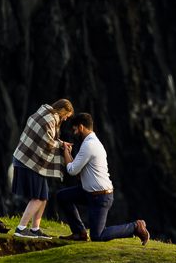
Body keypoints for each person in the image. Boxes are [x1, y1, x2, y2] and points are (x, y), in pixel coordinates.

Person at [55, 113, 149, 245]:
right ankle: (79, 232)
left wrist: (65, 151)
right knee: (62, 196)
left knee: (98, 236)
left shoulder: (89, 145)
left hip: (100, 197)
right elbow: (76, 170)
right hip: (89, 192)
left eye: (75, 130)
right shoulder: (91, 142)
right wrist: (68, 154)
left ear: (81, 127)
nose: (74, 133)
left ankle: (135, 227)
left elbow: (71, 170)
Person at [11, 98, 74, 239]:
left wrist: (62, 143)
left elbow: (47, 138)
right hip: (27, 161)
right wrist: (62, 145)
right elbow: (48, 142)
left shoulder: (43, 112)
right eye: (66, 116)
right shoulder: (49, 119)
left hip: (26, 158)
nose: (65, 120)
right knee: (38, 198)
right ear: (63, 111)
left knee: (43, 197)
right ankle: (21, 228)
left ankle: (35, 229)